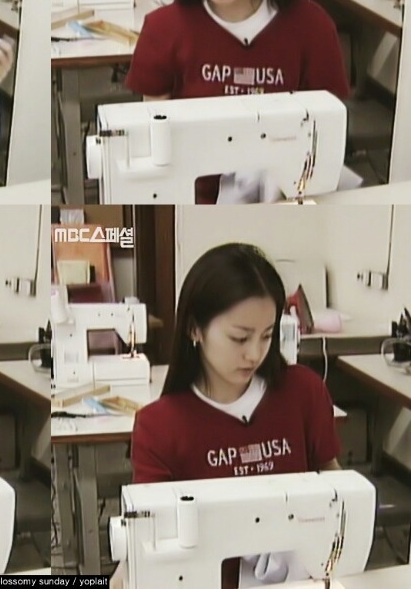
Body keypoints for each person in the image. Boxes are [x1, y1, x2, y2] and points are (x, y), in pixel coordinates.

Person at [125, 0, 349, 203]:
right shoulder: (164, 29)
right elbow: (154, 145)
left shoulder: (311, 29)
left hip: (286, 200)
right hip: (191, 200)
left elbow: (327, 133)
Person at [128, 243, 340, 588]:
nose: (255, 353)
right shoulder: (160, 426)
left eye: (267, 336)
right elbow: (151, 540)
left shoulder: (304, 392)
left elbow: (335, 484)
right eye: (240, 338)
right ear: (195, 329)